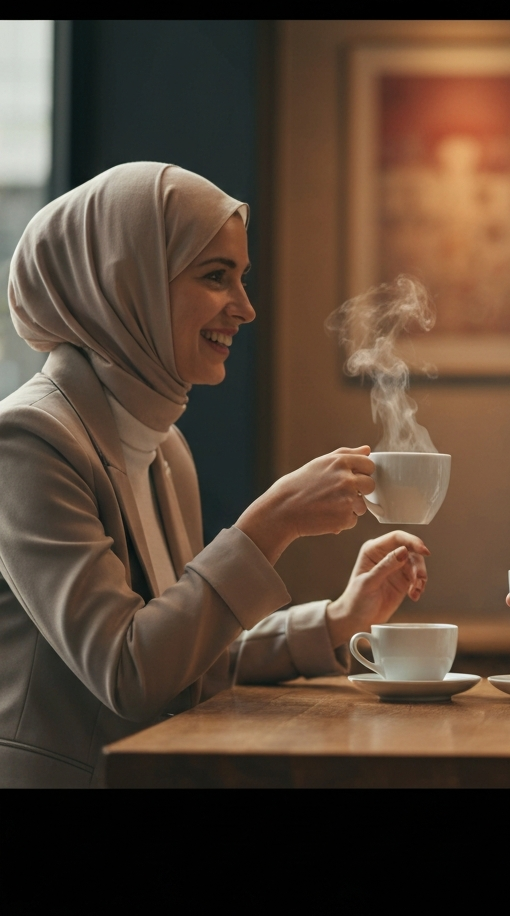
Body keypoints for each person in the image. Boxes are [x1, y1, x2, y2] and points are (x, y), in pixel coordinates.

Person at [0, 162, 430, 788]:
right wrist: (271, 523)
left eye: (242, 278)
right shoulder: (28, 442)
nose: (247, 308)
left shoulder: (165, 447)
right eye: (215, 276)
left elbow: (184, 655)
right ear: (129, 282)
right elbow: (129, 671)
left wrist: (339, 618)